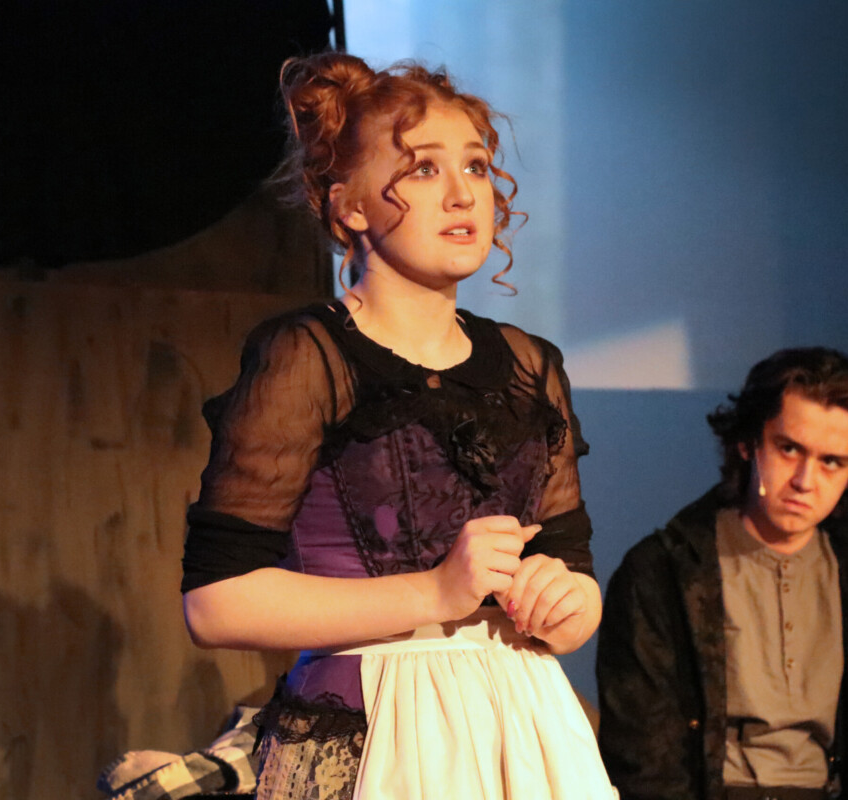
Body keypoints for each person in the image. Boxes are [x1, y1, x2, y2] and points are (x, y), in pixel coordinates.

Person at [180, 53, 617, 800]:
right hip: (369, 720)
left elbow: (570, 568)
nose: (461, 194)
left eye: (477, 168)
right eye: (421, 170)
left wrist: (569, 604)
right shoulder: (308, 354)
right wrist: (435, 593)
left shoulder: (528, 363)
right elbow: (217, 602)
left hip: (523, 723)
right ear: (349, 205)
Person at [596, 348, 848, 800]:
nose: (805, 480)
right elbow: (644, 761)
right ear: (748, 442)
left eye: (832, 461)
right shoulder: (661, 572)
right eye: (789, 448)